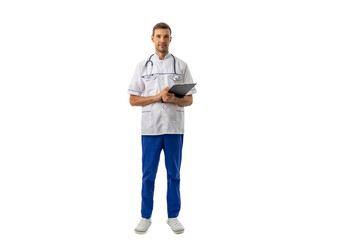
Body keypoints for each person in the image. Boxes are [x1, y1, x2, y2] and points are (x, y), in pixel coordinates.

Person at [128, 22, 196, 234]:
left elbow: (189, 100)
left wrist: (173, 98)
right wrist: (158, 97)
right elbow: (132, 99)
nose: (162, 40)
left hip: (174, 128)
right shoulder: (142, 66)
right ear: (152, 39)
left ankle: (173, 216)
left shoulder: (181, 66)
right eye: (158, 36)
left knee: (174, 174)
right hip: (150, 129)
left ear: (170, 39)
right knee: (148, 174)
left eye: (166, 36)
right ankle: (145, 216)